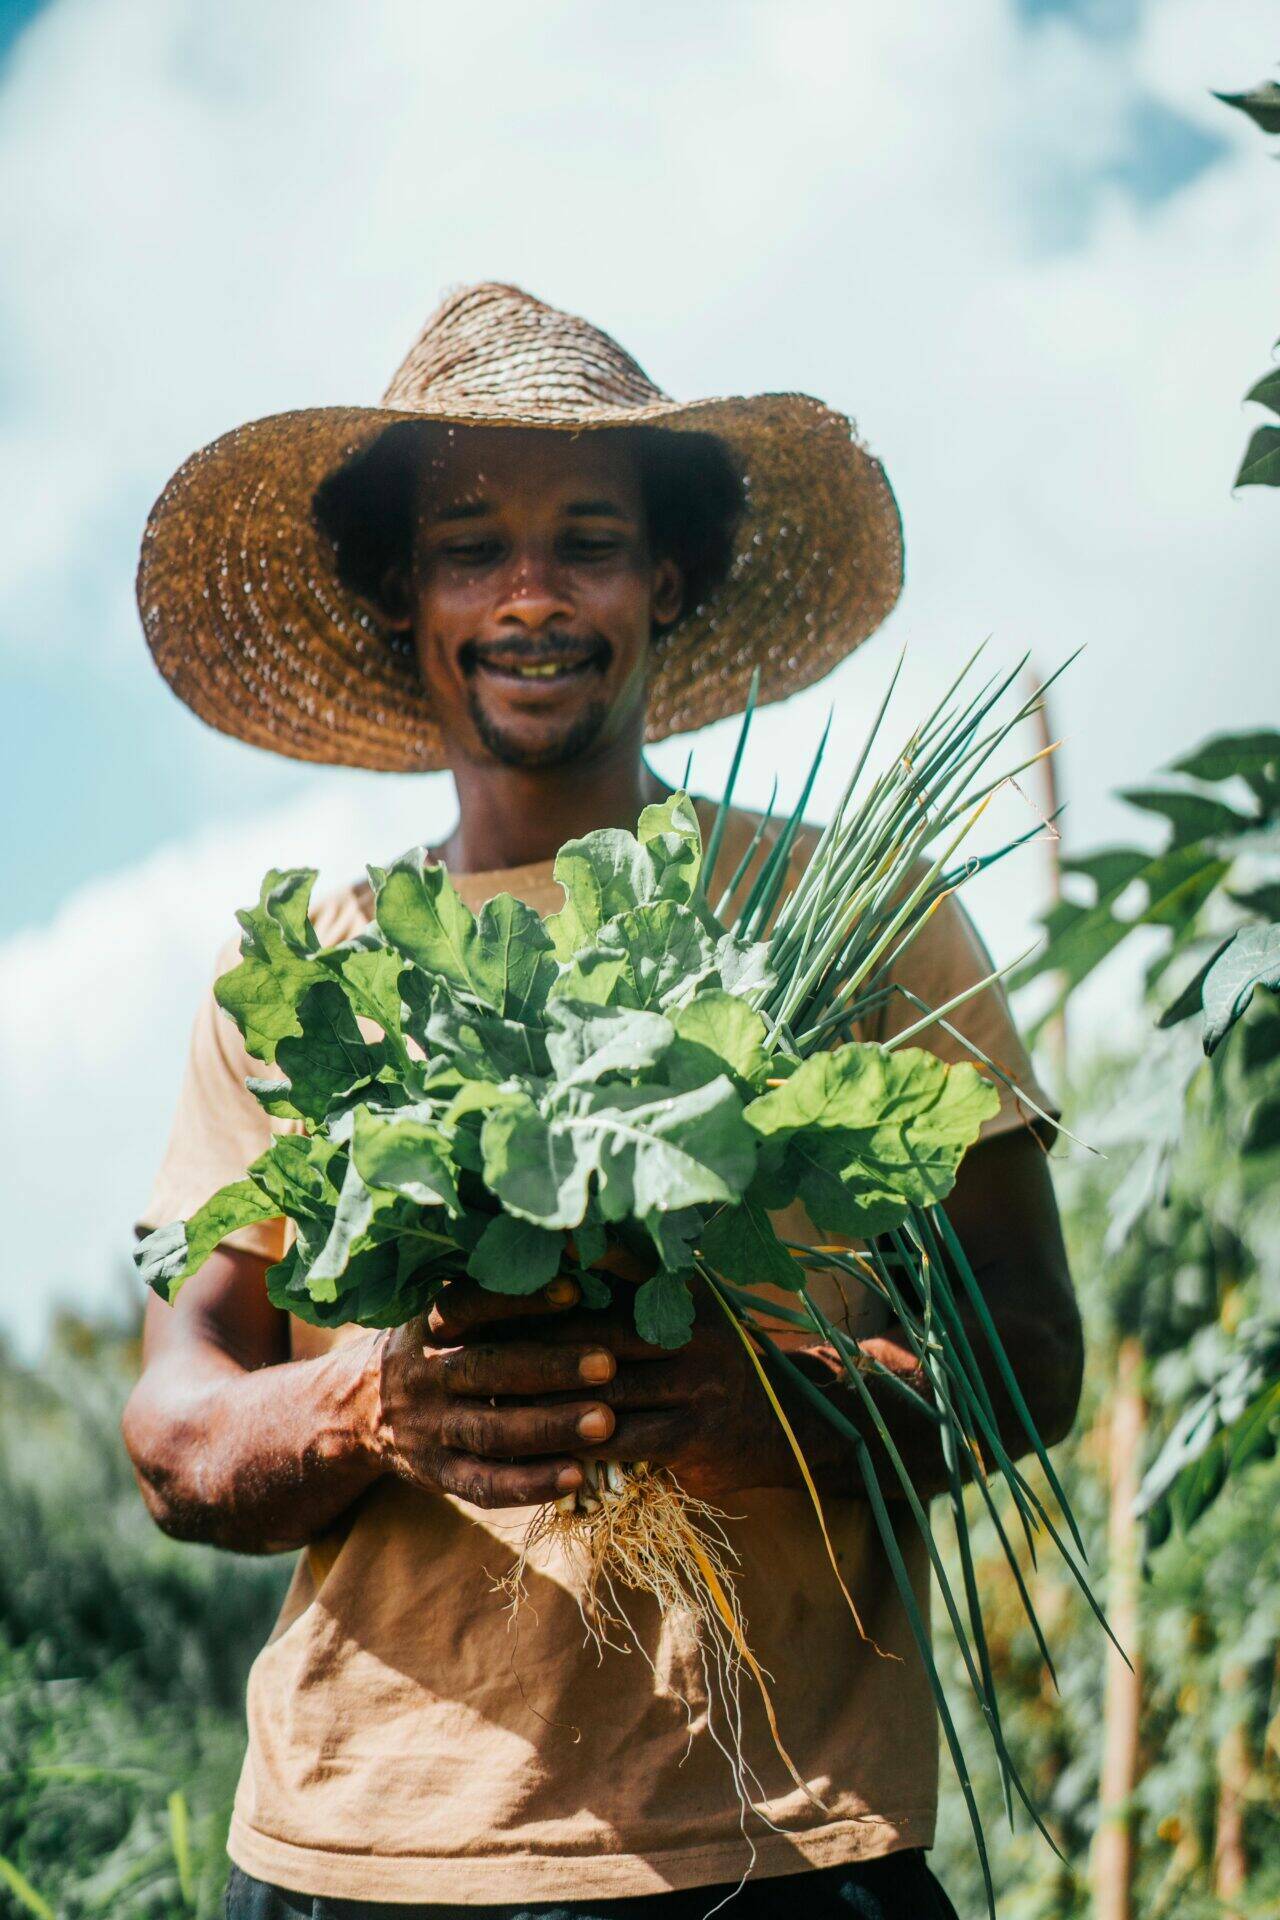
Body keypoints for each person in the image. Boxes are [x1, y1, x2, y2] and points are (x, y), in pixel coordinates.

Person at [124, 283, 1083, 1919]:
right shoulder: (302, 979)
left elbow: (1031, 1350)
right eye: (469, 547)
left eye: (589, 541)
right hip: (357, 1845)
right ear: (402, 594)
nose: (530, 594)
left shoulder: (852, 920)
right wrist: (372, 1405)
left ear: (669, 578)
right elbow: (174, 1425)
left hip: (784, 1841)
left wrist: (763, 1408)